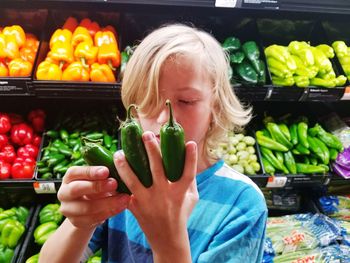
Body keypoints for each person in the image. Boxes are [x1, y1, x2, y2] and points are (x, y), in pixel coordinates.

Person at [39, 23, 267, 263]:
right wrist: (81, 223)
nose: (163, 118)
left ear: (216, 107)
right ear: (133, 111)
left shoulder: (242, 203)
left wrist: (167, 241)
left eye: (186, 101)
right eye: (148, 101)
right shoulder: (123, 176)